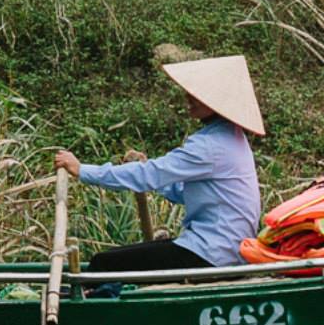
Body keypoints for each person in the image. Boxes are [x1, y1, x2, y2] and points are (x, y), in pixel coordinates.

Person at [53, 55, 268, 272]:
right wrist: (153, 173)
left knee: (104, 262)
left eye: (197, 96)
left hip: (213, 252)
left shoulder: (211, 146)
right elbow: (184, 191)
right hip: (224, 248)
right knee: (115, 259)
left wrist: (83, 170)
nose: (189, 98)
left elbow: (149, 175)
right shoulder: (231, 139)